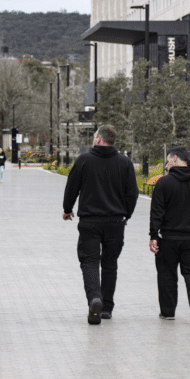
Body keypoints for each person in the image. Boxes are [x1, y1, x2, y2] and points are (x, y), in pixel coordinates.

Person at [62, 125, 139, 324]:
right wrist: (126, 215)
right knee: (110, 264)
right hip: (116, 222)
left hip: (90, 221)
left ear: (98, 139)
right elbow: (132, 193)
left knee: (89, 262)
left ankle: (94, 299)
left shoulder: (84, 161)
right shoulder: (124, 163)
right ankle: (106, 308)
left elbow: (72, 187)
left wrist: (67, 208)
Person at [149, 147, 190, 326]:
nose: (167, 166)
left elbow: (156, 212)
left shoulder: (164, 183)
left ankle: (168, 312)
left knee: (167, 274)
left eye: (168, 162)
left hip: (168, 238)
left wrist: (154, 235)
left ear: (176, 159)